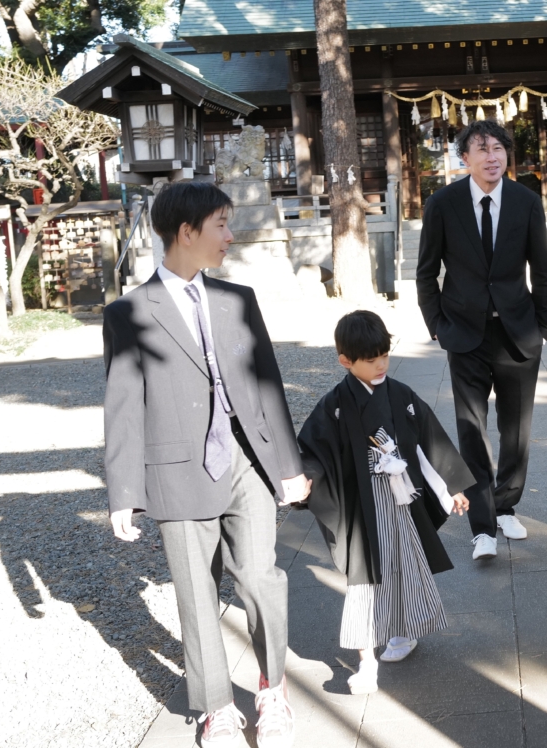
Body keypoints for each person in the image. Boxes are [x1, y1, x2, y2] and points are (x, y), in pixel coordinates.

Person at [103, 182, 308, 748]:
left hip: (248, 459)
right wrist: (123, 490)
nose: (229, 235)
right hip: (176, 468)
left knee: (261, 576)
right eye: (220, 224)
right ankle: (216, 706)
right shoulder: (128, 311)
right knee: (196, 591)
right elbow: (123, 404)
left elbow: (269, 386)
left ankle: (272, 689)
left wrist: (288, 464)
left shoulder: (237, 299)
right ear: (186, 232)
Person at [296, 311, 476, 695]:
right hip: (362, 505)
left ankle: (402, 631)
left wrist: (453, 484)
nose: (380, 365)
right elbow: (311, 449)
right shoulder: (335, 405)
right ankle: (366, 661)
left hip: (400, 498)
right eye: (370, 358)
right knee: (363, 580)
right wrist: (303, 480)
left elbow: (431, 439)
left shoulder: (401, 396)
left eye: (384, 355)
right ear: (345, 360)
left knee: (404, 566)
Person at [415, 120, 547, 561]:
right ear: (465, 157)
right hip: (464, 332)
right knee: (471, 430)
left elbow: (543, 268)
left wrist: (543, 324)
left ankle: (507, 503)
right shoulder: (443, 203)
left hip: (517, 330)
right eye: (483, 149)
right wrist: (436, 323)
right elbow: (426, 271)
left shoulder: (526, 202)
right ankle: (482, 526)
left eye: (500, 148)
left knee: (516, 429)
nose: (493, 156)